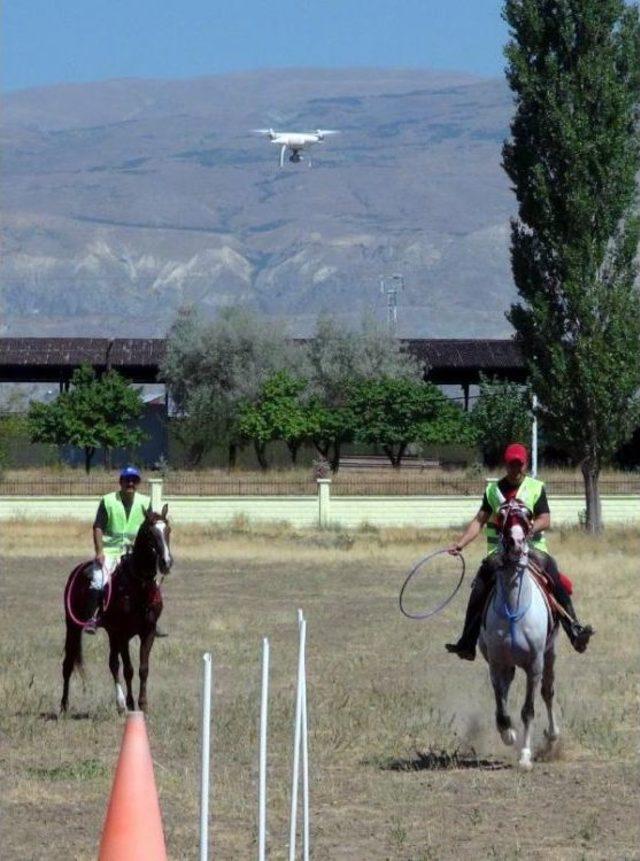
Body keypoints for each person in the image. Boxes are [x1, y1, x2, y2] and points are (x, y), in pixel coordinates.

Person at [445, 443, 593, 660]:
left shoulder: (535, 488)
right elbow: (479, 520)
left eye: (520, 464)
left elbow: (545, 518)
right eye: (512, 465)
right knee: (480, 584)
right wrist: (461, 543)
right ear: (506, 465)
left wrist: (528, 530)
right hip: (499, 551)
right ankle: (467, 642)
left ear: (526, 463)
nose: (516, 469)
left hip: (532, 548)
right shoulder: (493, 491)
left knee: (553, 573)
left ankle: (574, 631)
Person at [84, 465, 167, 636]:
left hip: (133, 552)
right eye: (127, 480)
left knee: (152, 581)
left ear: (137, 483)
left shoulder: (145, 502)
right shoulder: (108, 501)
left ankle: (152, 621)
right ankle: (93, 617)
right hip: (110, 551)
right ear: (120, 482)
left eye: (134, 481)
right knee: (100, 580)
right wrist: (99, 551)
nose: (130, 483)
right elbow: (98, 528)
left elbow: (150, 528)